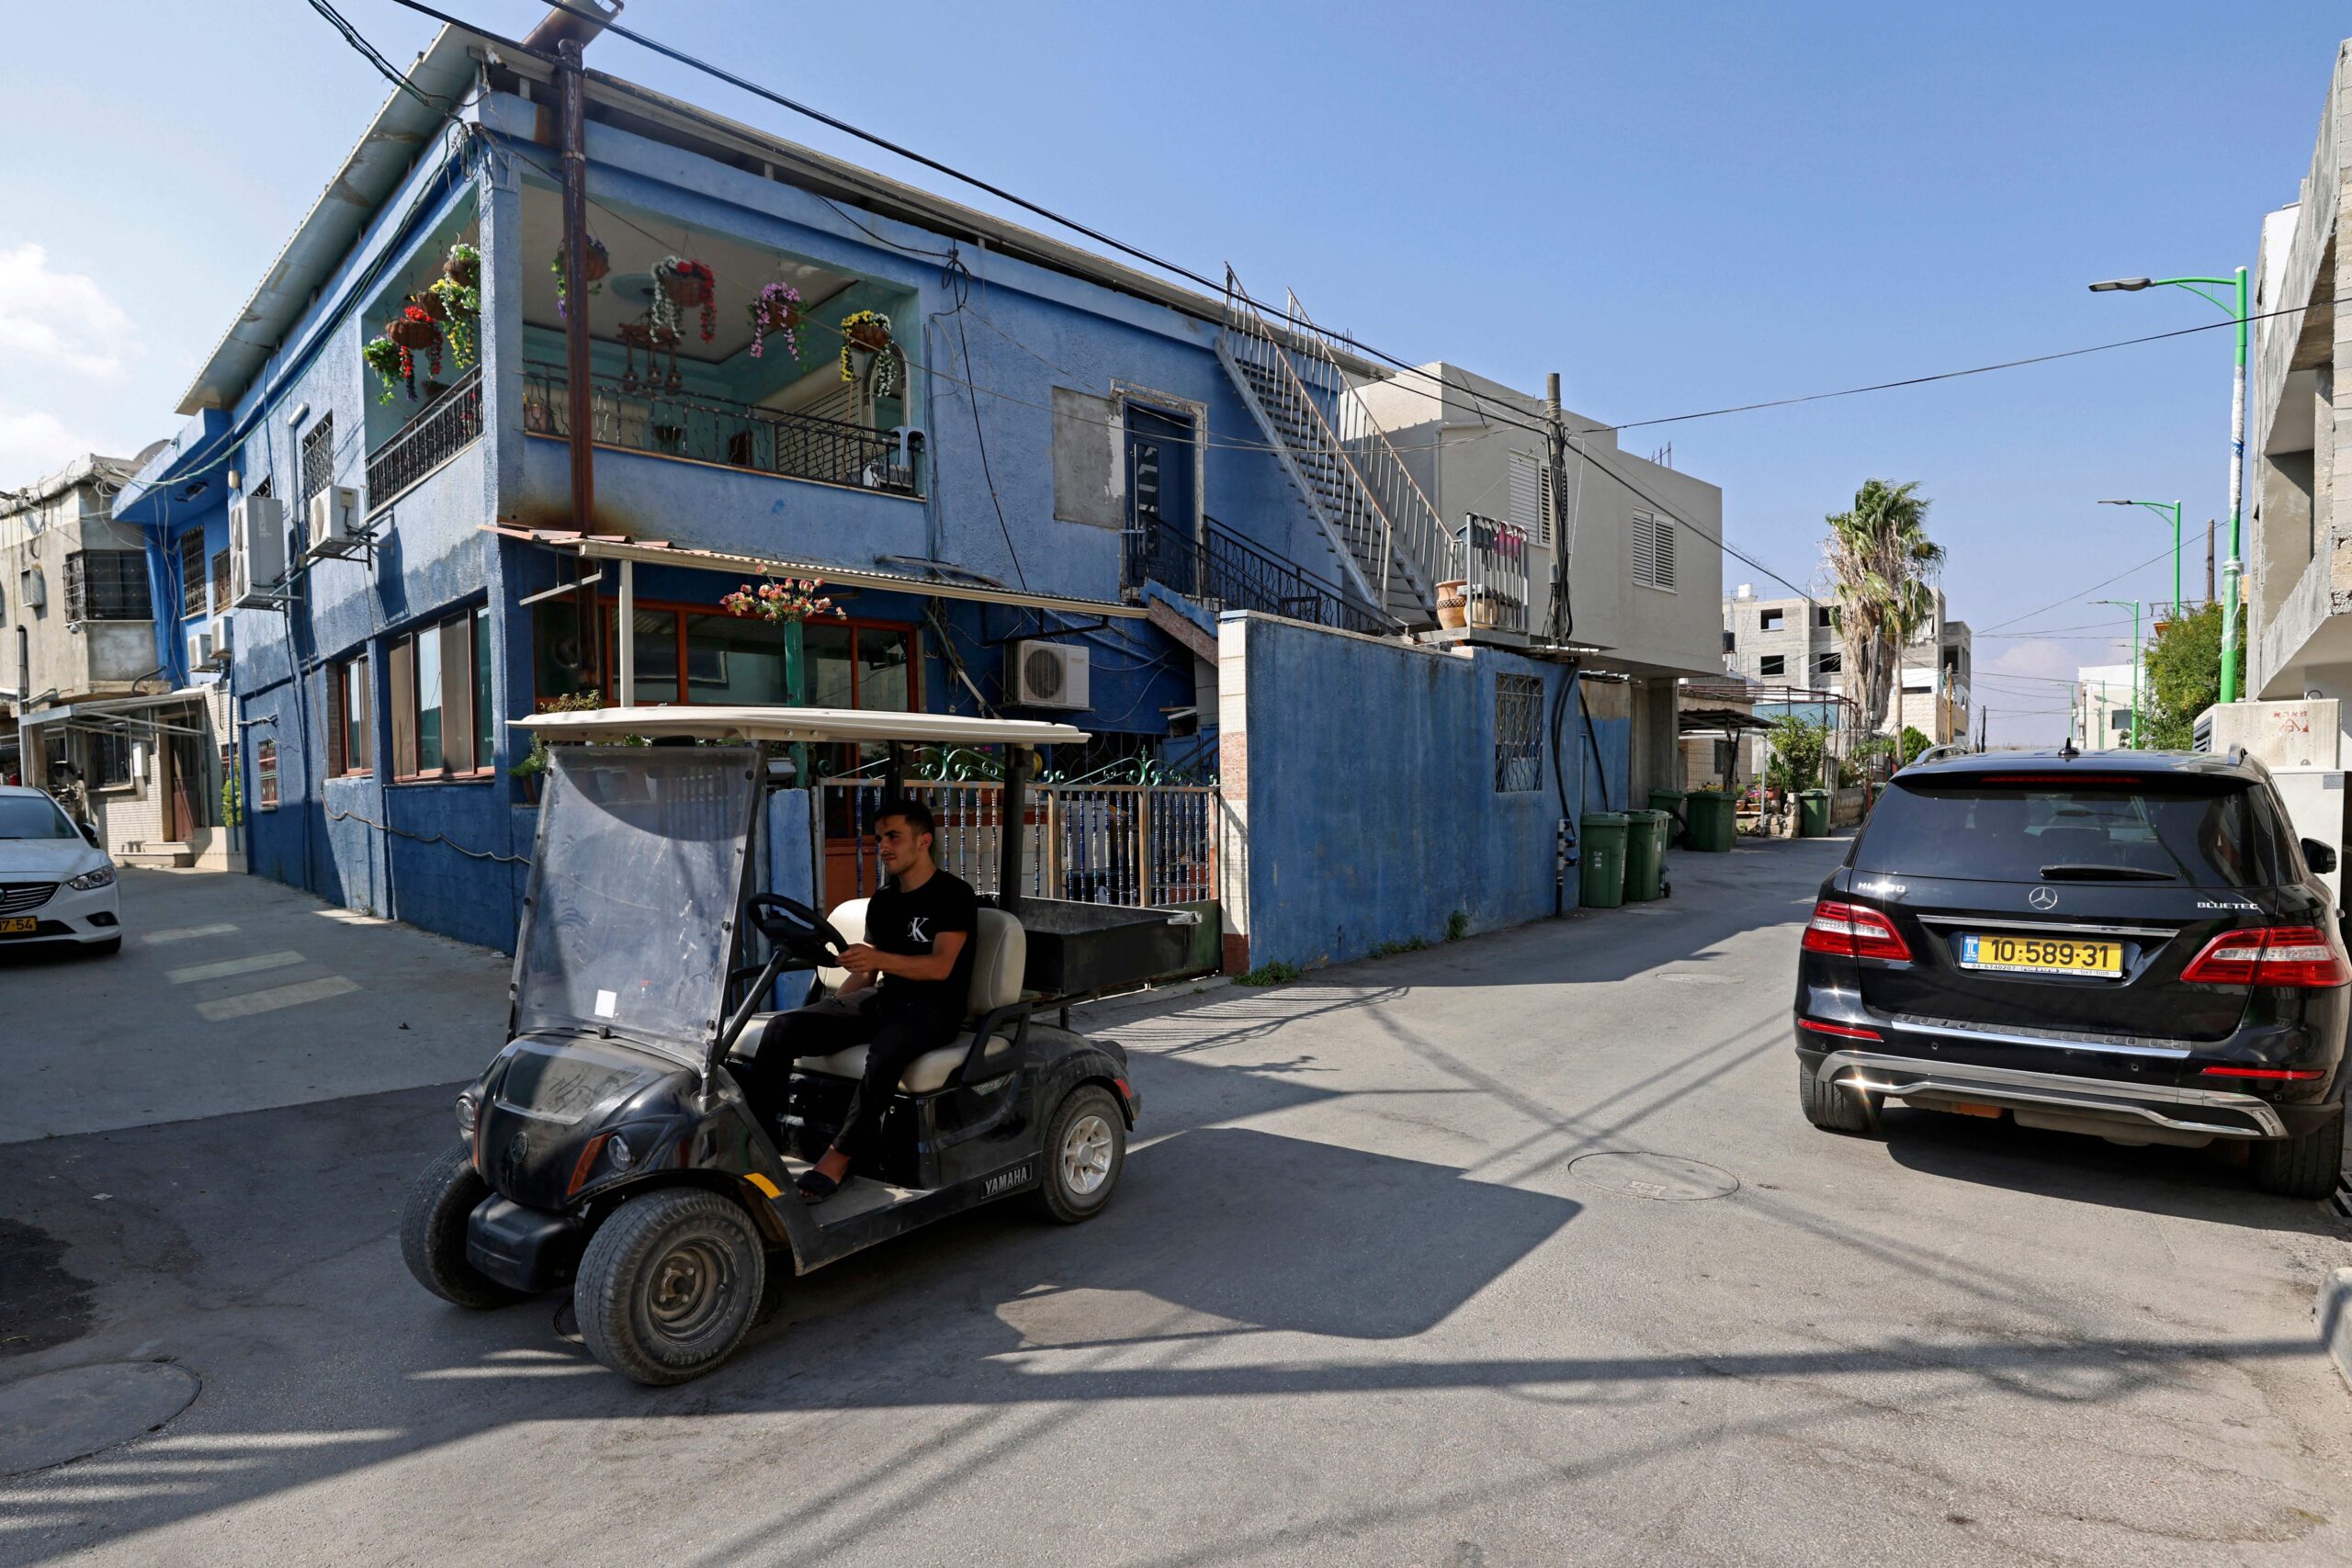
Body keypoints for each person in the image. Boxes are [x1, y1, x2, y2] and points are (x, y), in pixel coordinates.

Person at [739, 797, 978, 1203]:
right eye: (880, 837)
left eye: (894, 837)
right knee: (783, 1029)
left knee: (886, 1052)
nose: (883, 846)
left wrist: (878, 958)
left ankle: (839, 1158)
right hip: (886, 998)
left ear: (923, 841)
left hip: (934, 1008)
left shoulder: (953, 894)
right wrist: (827, 1012)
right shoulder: (884, 900)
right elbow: (866, 975)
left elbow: (940, 967)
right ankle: (753, 1146)